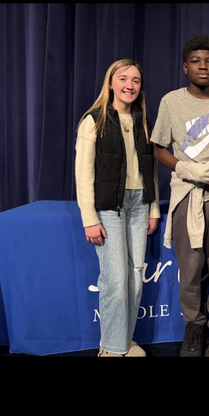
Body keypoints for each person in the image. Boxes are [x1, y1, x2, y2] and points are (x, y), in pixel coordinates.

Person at [152, 35, 209, 357]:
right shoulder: (171, 102)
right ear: (185, 66)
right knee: (190, 268)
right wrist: (183, 168)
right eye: (196, 61)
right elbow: (159, 147)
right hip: (187, 196)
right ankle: (193, 326)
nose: (202, 66)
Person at [75, 59, 160, 357]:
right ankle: (110, 348)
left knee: (135, 276)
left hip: (139, 205)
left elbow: (149, 170)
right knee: (115, 279)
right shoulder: (93, 120)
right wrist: (89, 218)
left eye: (136, 80)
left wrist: (153, 210)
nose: (130, 85)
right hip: (109, 208)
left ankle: (125, 340)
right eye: (123, 79)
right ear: (111, 82)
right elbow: (83, 174)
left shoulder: (143, 121)